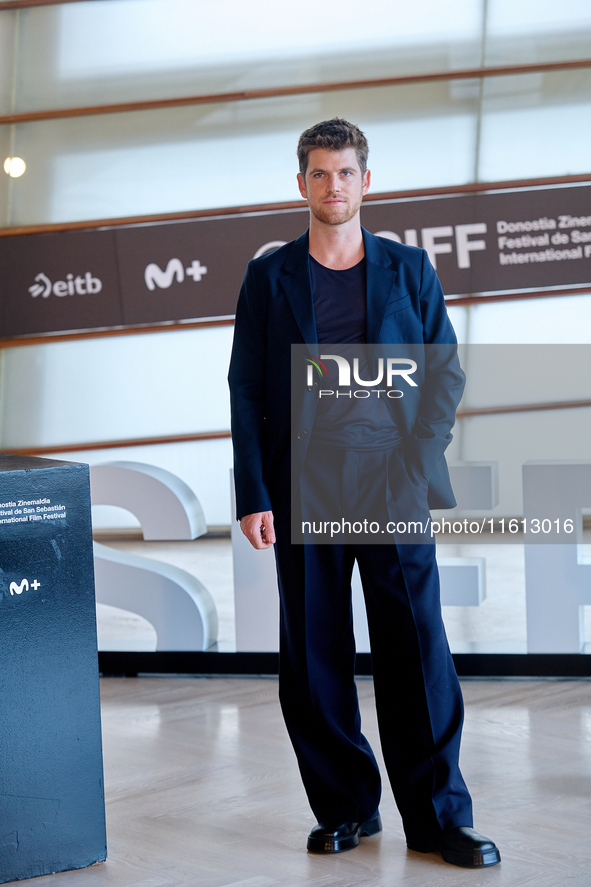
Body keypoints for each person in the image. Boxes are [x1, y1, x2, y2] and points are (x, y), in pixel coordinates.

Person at [228, 118, 500, 869]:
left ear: (365, 181)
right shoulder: (269, 276)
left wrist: (416, 457)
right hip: (301, 485)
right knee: (314, 655)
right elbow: (246, 387)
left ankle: (440, 816)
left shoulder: (410, 269)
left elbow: (443, 371)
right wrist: (253, 492)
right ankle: (347, 805)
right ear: (301, 184)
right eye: (318, 173)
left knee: (416, 648)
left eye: (345, 172)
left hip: (392, 483)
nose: (333, 186)